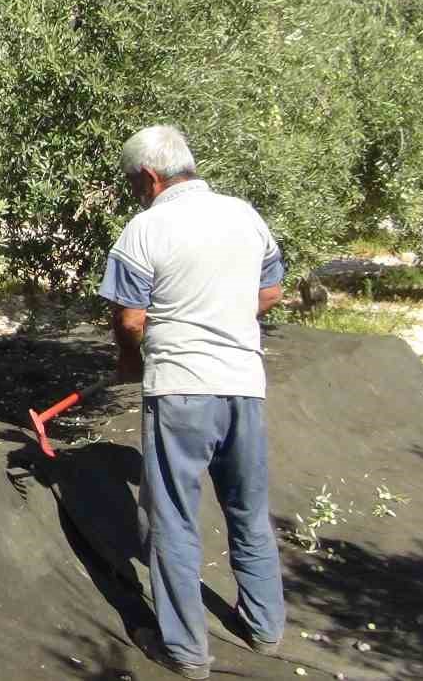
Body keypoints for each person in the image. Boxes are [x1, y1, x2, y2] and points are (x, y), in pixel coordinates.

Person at [98, 125, 286, 680]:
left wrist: (132, 362)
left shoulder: (145, 228)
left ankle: (184, 651)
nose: (135, 192)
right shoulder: (244, 216)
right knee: (249, 510)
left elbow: (131, 317)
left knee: (174, 520)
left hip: (180, 388)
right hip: (244, 386)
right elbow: (271, 290)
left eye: (134, 183)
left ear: (150, 178)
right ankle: (265, 628)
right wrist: (225, 318)